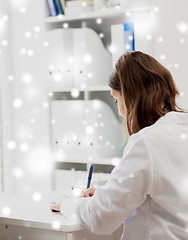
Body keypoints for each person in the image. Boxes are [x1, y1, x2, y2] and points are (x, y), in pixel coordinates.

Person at [51, 51, 188, 239]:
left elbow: (100, 219)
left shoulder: (146, 143)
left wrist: (67, 204)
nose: (120, 112)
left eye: (117, 100)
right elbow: (169, 195)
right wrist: (110, 191)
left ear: (132, 97)